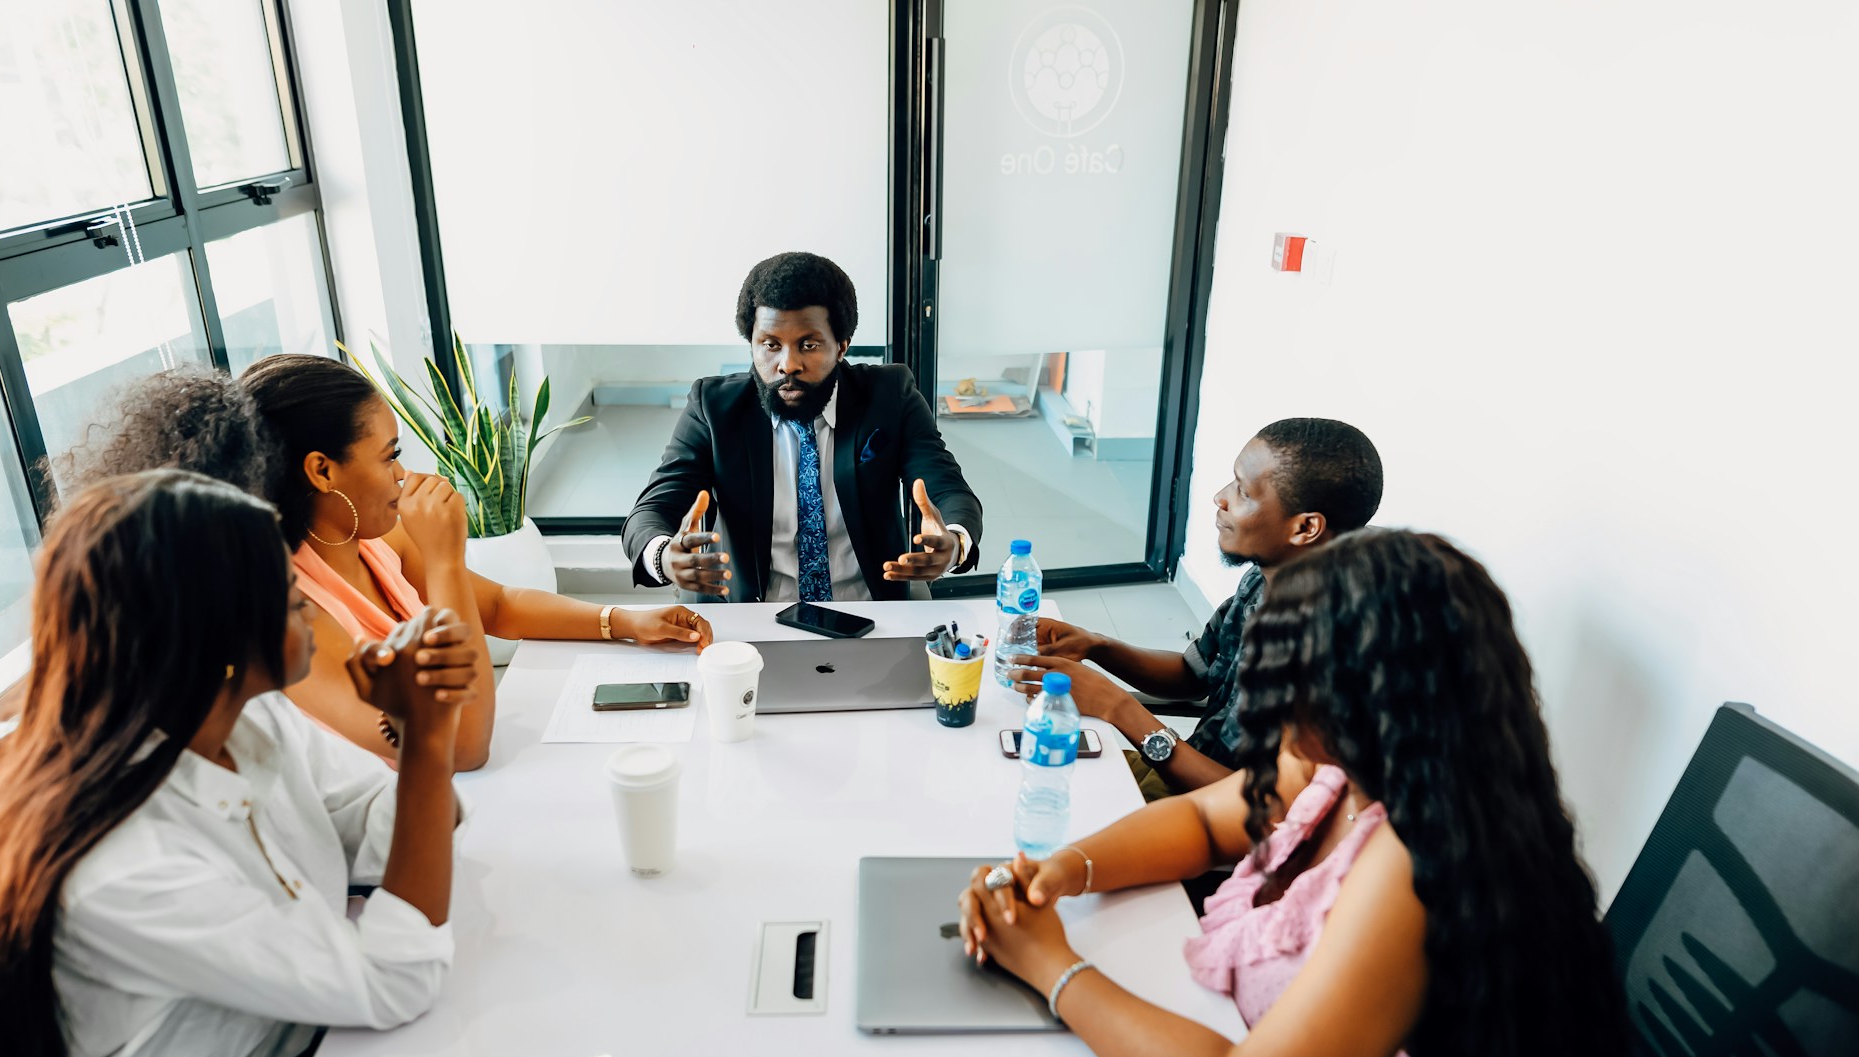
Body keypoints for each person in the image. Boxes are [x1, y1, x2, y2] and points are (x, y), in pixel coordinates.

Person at [960, 529, 1626, 1057]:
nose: (1268, 703)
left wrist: (1052, 967)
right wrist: (1069, 868)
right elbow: (1206, 819)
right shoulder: (1346, 766)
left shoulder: (1415, 862)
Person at [0, 470, 479, 1057]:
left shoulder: (251, 720)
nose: (308, 601)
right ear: (213, 633)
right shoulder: (122, 866)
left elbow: (410, 824)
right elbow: (396, 979)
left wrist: (415, 728)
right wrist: (427, 738)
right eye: (286, 592)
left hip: (306, 1055)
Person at [236, 355, 712, 769]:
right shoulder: (287, 614)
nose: (401, 473)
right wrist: (443, 559)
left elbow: (500, 605)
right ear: (322, 471)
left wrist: (627, 621)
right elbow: (463, 747)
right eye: (389, 456)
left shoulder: (374, 541)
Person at [1010, 417, 1382, 798]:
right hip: (1181, 778)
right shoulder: (1266, 578)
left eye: (1243, 491)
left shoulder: (1340, 649)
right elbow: (1194, 673)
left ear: (1305, 528)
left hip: (1217, 817)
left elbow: (1264, 808)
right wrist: (1097, 646)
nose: (1220, 498)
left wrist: (1117, 708)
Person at [621, 251, 984, 603]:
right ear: (752, 344)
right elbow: (652, 509)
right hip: (750, 611)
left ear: (841, 346)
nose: (787, 364)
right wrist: (663, 556)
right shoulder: (713, 407)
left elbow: (949, 489)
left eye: (808, 345)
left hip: (870, 607)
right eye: (770, 345)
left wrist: (954, 542)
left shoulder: (890, 395)